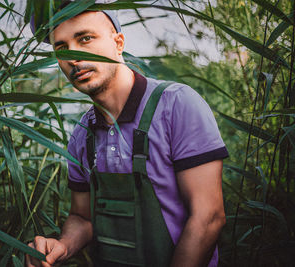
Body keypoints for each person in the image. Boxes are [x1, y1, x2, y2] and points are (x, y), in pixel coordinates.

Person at [26, 1, 228, 266]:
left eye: (85, 38)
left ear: (118, 42)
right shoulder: (80, 136)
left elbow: (208, 217)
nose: (72, 57)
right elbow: (82, 218)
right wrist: (62, 245)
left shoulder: (177, 105)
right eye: (61, 47)